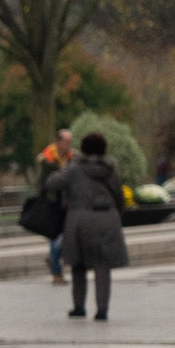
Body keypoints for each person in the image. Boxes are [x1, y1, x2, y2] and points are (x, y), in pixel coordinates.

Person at [45, 131, 129, 320]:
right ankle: (102, 310)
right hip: (107, 220)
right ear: (103, 149)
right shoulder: (110, 170)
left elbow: (51, 184)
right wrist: (116, 215)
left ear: (82, 149)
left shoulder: (75, 169)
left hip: (79, 222)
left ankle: (78, 307)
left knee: (78, 265)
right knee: (102, 267)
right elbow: (120, 197)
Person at [36, 128, 75, 285]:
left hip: (68, 204)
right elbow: (40, 183)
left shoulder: (73, 157)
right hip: (52, 204)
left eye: (70, 142)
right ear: (58, 142)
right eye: (66, 142)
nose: (69, 145)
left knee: (65, 238)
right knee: (56, 238)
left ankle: (52, 259)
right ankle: (57, 274)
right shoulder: (46, 159)